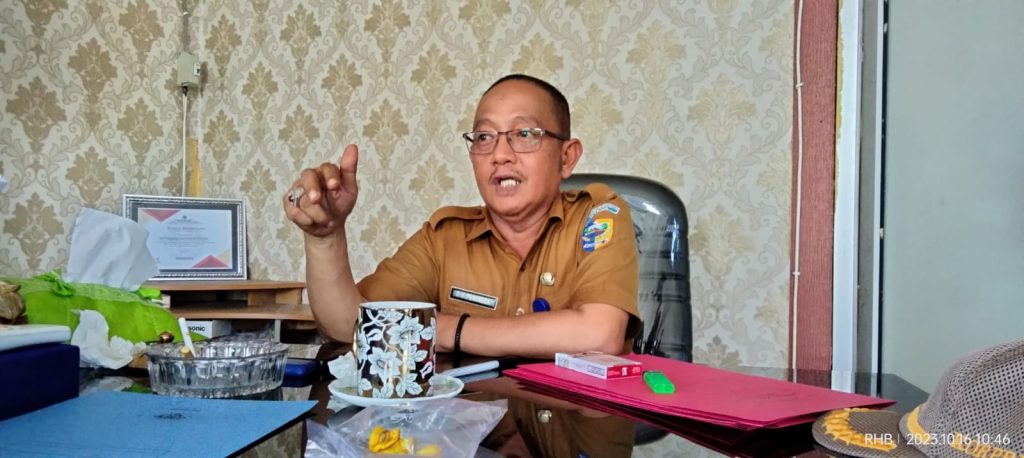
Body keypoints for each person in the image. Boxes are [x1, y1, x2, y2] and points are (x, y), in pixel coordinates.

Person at [283, 74, 640, 358]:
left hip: (576, 422)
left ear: (566, 157)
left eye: (523, 134)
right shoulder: (445, 238)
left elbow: (600, 334)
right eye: (484, 137)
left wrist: (444, 330)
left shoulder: (597, 216)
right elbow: (352, 325)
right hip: (470, 423)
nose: (499, 154)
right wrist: (324, 238)